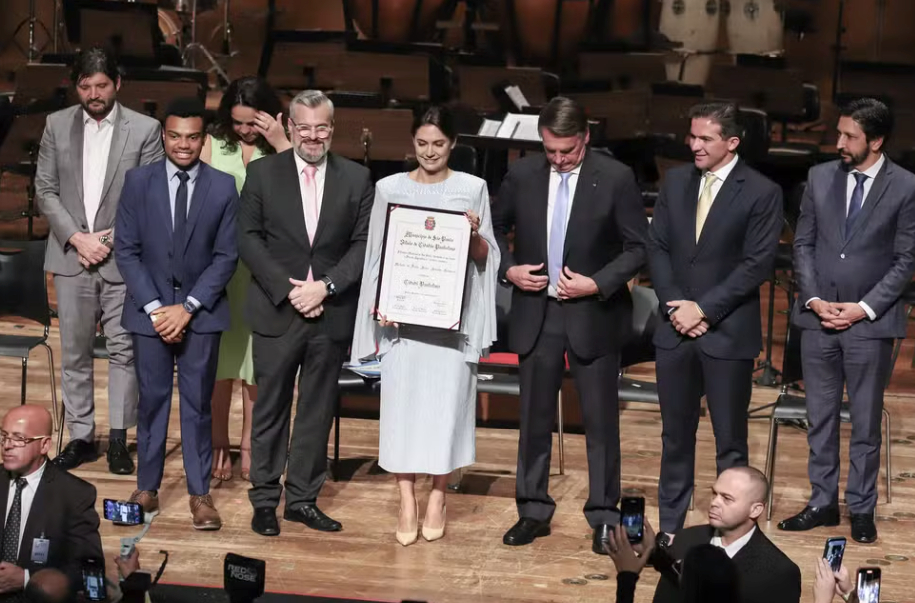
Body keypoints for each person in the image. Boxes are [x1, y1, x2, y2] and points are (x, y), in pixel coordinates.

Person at [491, 97, 648, 553]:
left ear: (585, 138)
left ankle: (603, 515)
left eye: (567, 151)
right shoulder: (522, 174)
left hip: (592, 314)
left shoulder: (615, 178)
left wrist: (597, 283)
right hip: (535, 313)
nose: (558, 160)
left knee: (600, 424)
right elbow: (494, 232)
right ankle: (532, 510)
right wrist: (509, 270)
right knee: (533, 420)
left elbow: (638, 247)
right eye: (550, 150)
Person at [350, 106, 500, 546]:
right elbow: (376, 254)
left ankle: (437, 494)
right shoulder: (388, 188)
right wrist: (381, 307)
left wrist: (472, 236)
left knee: (444, 410)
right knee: (402, 412)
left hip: (449, 326)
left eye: (438, 144)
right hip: (403, 324)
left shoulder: (473, 188)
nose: (430, 152)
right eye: (421, 143)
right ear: (411, 143)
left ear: (452, 143)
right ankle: (405, 497)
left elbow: (485, 257)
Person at [779, 98, 915, 544]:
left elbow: (905, 259)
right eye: (838, 134)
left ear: (876, 141)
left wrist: (863, 308)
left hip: (870, 324)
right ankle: (822, 502)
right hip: (818, 318)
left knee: (865, 421)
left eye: (849, 136)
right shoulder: (820, 176)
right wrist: (814, 299)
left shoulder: (906, 186)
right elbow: (804, 245)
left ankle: (861, 507)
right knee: (818, 417)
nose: (839, 143)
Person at [239, 90, 374, 537]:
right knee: (271, 409)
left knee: (317, 410)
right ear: (289, 127)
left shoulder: (356, 178)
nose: (313, 136)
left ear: (332, 130)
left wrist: (326, 287)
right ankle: (264, 499)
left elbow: (362, 245)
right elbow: (248, 239)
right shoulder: (262, 173)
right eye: (304, 127)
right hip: (279, 309)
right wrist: (289, 289)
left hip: (330, 311)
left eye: (322, 127)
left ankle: (301, 499)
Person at [647, 102, 783, 538]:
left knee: (730, 441)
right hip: (675, 331)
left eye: (705, 138)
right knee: (675, 438)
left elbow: (756, 264)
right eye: (692, 136)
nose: (694, 145)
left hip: (727, 335)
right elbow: (659, 248)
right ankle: (670, 529)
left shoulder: (762, 191)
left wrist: (701, 309)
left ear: (732, 142)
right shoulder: (676, 181)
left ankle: (733, 535)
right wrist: (675, 304)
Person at [35, 47, 163, 475]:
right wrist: (77, 238)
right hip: (72, 256)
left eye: (101, 85)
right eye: (86, 86)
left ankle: (120, 440)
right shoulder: (56, 124)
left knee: (124, 351)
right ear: (77, 87)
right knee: (74, 352)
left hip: (122, 259)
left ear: (118, 84)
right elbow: (45, 190)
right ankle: (81, 437)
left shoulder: (145, 129)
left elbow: (148, 195)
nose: (94, 93)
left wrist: (105, 239)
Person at [114, 97, 238, 530]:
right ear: (163, 136)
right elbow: (127, 251)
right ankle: (146, 487)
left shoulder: (223, 186)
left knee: (198, 406)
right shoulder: (137, 182)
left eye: (192, 137)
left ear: (203, 139)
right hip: (148, 314)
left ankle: (199, 493)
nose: (183, 145)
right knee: (151, 402)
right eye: (175, 136)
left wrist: (185, 309)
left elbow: (226, 257)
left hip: (200, 315)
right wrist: (155, 309)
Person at [201, 76, 291, 482]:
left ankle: (251, 445)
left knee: (257, 365)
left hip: (266, 268)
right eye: (237, 122)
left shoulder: (284, 148)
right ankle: (218, 442)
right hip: (220, 268)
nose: (243, 130)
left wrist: (282, 140)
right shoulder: (212, 144)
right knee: (220, 361)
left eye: (251, 123)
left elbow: (305, 192)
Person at [652, 467, 801, 603]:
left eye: (727, 498)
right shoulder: (686, 539)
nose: (714, 503)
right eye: (714, 494)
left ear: (755, 510)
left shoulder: (781, 572)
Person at [0, 406, 104, 597]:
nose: (7, 445)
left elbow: (89, 568)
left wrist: (27, 579)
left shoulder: (74, 494)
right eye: (4, 436)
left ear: (44, 445)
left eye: (19, 438)